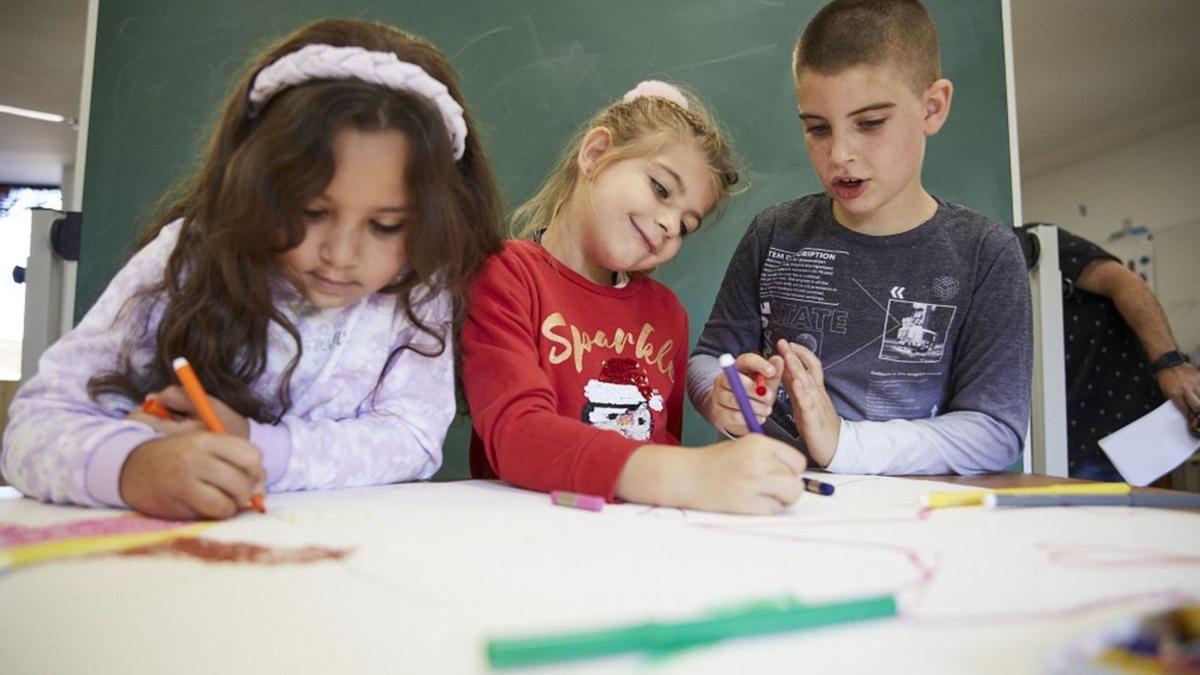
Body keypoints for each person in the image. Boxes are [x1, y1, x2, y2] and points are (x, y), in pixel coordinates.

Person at [1, 19, 504, 519]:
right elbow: (31, 428)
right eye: (312, 212)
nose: (341, 254)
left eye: (386, 225)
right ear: (255, 184)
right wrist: (133, 466)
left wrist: (257, 445)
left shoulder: (416, 287)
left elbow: (412, 439)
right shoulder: (188, 255)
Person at [689, 0, 1032, 475]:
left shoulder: (985, 253)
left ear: (932, 108)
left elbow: (995, 432)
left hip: (909, 522)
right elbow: (710, 359)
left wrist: (846, 443)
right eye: (817, 129)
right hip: (770, 501)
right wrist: (720, 395)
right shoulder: (775, 233)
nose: (841, 154)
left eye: (870, 123)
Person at [461, 81, 808, 515]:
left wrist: (732, 417)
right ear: (595, 155)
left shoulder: (667, 315)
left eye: (686, 225)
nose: (668, 226)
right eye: (661, 190)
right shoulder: (506, 276)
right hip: (530, 535)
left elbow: (662, 440)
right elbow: (517, 436)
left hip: (634, 542)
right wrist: (687, 473)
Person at [1019, 223, 1200, 480]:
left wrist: (1171, 363)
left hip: (1128, 420)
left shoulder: (1027, 242)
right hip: (1060, 444)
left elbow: (1122, 282)